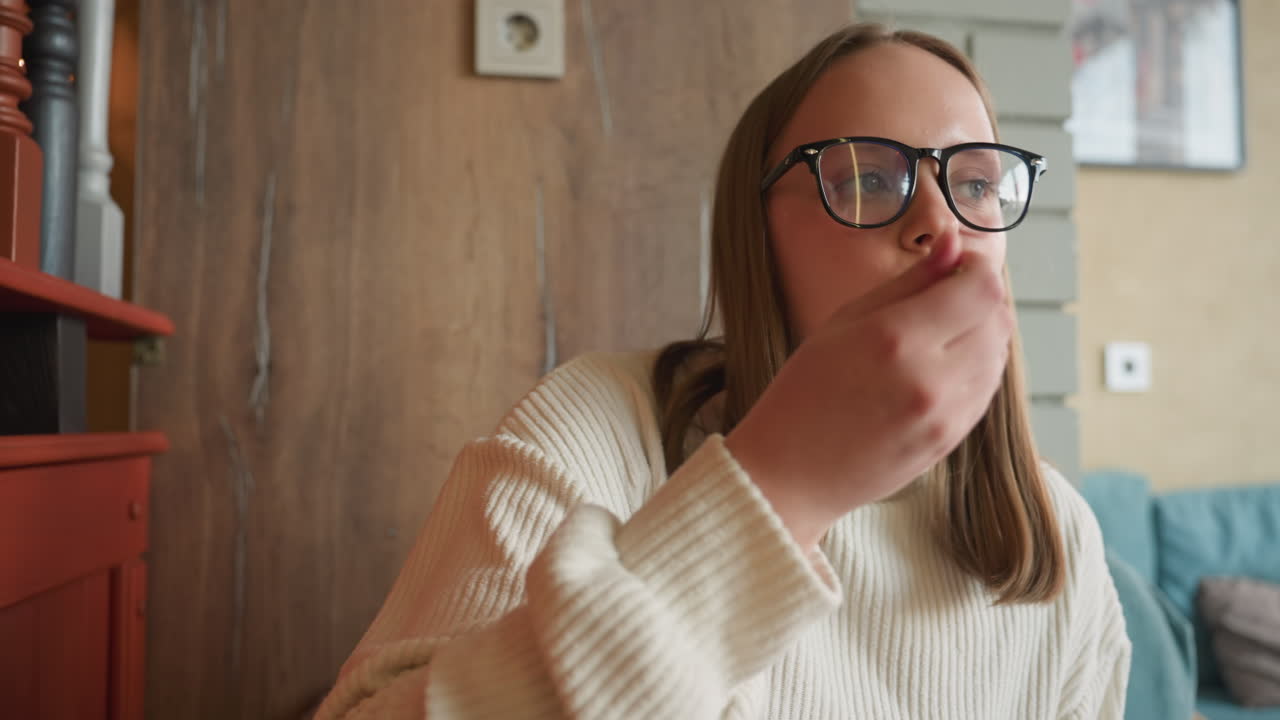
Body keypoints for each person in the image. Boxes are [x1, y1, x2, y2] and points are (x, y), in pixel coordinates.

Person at [316, 23, 1131, 719]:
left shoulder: (1064, 535)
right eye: (868, 176)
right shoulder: (601, 428)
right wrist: (779, 488)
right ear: (756, 232)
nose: (936, 221)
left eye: (977, 184)